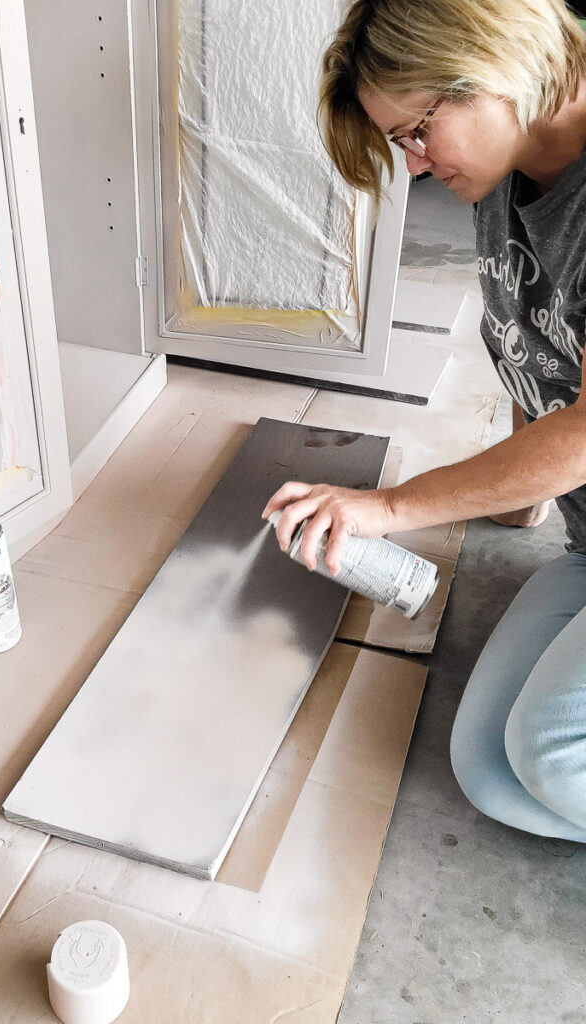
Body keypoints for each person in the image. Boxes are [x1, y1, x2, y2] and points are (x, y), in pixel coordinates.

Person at [263, 0, 586, 841]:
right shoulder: (509, 175)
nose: (410, 164)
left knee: (553, 755)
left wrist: (392, 508)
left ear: (488, 73)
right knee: (492, 772)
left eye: (417, 132)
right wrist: (522, 496)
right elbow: (530, 336)